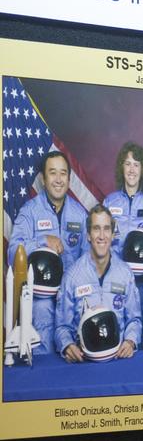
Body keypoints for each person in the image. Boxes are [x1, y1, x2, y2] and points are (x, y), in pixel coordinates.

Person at [7, 150, 88, 355]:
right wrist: (43, 241)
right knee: (42, 312)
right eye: (53, 173)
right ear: (43, 179)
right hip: (40, 300)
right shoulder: (30, 211)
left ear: (70, 180)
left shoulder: (79, 215)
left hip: (71, 299)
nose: (58, 179)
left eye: (63, 173)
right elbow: (13, 252)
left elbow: (89, 260)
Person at [54, 205, 142, 362]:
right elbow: (62, 327)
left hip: (118, 359)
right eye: (96, 229)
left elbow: (134, 320)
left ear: (113, 234)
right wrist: (67, 345)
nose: (102, 236)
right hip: (84, 363)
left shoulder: (125, 274)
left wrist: (130, 341)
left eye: (106, 229)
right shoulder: (72, 277)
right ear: (88, 235)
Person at [104, 142, 143, 258]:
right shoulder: (109, 202)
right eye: (128, 164)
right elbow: (101, 241)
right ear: (121, 167)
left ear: (142, 170)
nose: (131, 170)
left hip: (142, 270)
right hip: (115, 270)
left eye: (136, 165)